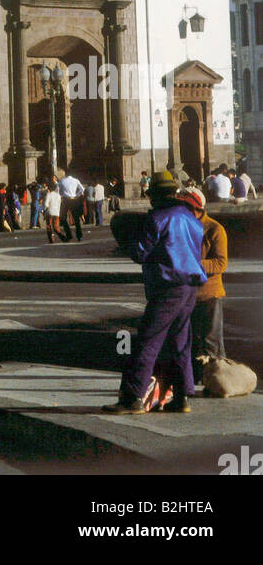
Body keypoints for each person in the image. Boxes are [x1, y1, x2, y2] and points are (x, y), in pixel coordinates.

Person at [103, 170, 206, 414]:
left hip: (168, 286)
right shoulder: (192, 219)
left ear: (155, 196)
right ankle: (181, 398)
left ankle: (133, 397)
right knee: (180, 341)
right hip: (190, 286)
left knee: (148, 341)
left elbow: (139, 252)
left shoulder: (158, 218)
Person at [176, 188, 227, 384]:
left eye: (187, 207)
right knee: (190, 341)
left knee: (211, 343)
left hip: (209, 295)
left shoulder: (214, 229)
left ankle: (214, 382)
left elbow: (220, 264)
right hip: (187, 295)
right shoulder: (182, 227)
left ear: (197, 209)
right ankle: (195, 379)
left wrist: (192, 263)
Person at [57, 172, 85, 241]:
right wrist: (76, 195)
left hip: (65, 200)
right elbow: (82, 189)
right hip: (74, 200)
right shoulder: (76, 180)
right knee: (76, 218)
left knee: (63, 217)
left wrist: (62, 195)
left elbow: (58, 191)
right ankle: (79, 235)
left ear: (65, 174)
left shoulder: (62, 181)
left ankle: (68, 234)